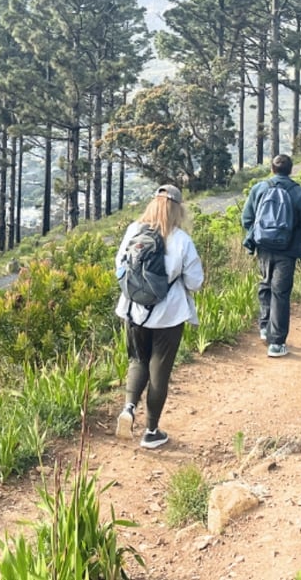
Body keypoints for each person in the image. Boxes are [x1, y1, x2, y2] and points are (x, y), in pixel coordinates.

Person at [114, 184, 205, 449]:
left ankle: (129, 407)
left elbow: (120, 267)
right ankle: (151, 431)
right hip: (169, 315)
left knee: (137, 360)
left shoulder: (134, 231)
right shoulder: (181, 240)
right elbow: (195, 282)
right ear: (178, 209)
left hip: (133, 310)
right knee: (159, 372)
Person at [240, 154, 301, 358]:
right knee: (280, 292)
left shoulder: (259, 189)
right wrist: (295, 241)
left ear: (272, 169)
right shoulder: (299, 192)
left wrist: (258, 236)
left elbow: (246, 218)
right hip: (287, 251)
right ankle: (277, 343)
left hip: (263, 248)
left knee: (265, 285)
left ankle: (265, 328)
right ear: (291, 170)